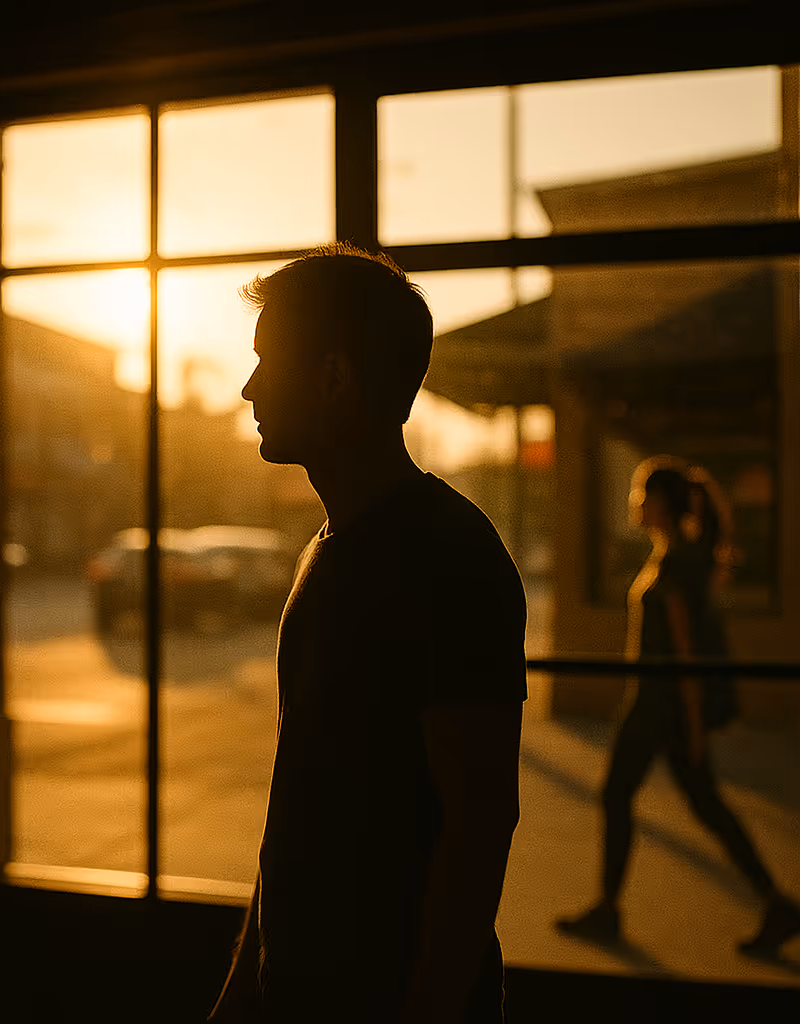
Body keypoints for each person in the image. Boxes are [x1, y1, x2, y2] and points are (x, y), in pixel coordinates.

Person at [207, 243, 527, 1023]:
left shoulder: (446, 558)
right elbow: (300, 812)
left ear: (334, 377)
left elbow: (478, 823)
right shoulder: (326, 550)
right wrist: (242, 992)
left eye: (264, 362)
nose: (248, 387)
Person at [556, 457, 800, 956]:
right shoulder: (672, 555)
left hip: (658, 705)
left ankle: (609, 910)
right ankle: (777, 904)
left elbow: (686, 653)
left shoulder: (676, 565)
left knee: (619, 795)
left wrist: (693, 727)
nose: (635, 501)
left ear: (663, 503)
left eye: (641, 493)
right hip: (659, 705)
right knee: (705, 805)